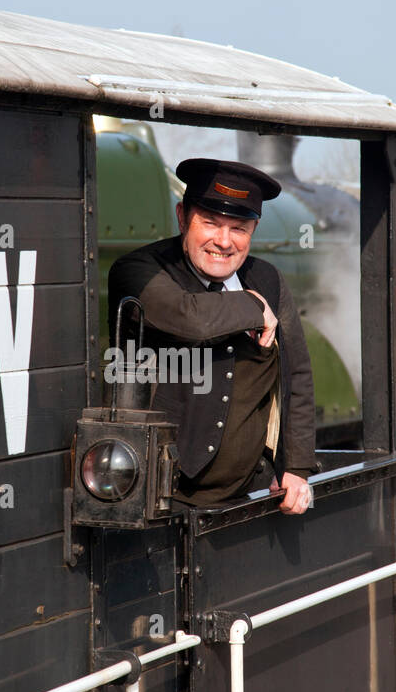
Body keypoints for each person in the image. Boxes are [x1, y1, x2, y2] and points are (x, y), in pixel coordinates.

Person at [108, 157, 317, 513]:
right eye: (210, 223)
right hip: (159, 495)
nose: (223, 241)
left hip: (248, 493)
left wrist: (296, 468)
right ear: (182, 217)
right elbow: (188, 317)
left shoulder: (269, 279)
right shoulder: (139, 271)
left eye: (239, 228)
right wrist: (251, 306)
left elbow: (295, 375)